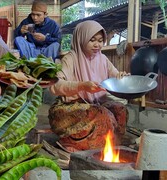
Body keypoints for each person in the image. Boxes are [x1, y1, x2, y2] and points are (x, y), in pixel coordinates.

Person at [48, 20, 129, 152]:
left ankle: (112, 147)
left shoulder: (103, 59)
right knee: (102, 114)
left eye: (100, 40)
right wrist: (82, 86)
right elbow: (55, 86)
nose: (97, 44)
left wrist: (122, 77)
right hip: (67, 109)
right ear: (81, 38)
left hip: (95, 104)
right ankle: (78, 144)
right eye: (92, 40)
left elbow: (115, 75)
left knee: (120, 110)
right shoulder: (70, 59)